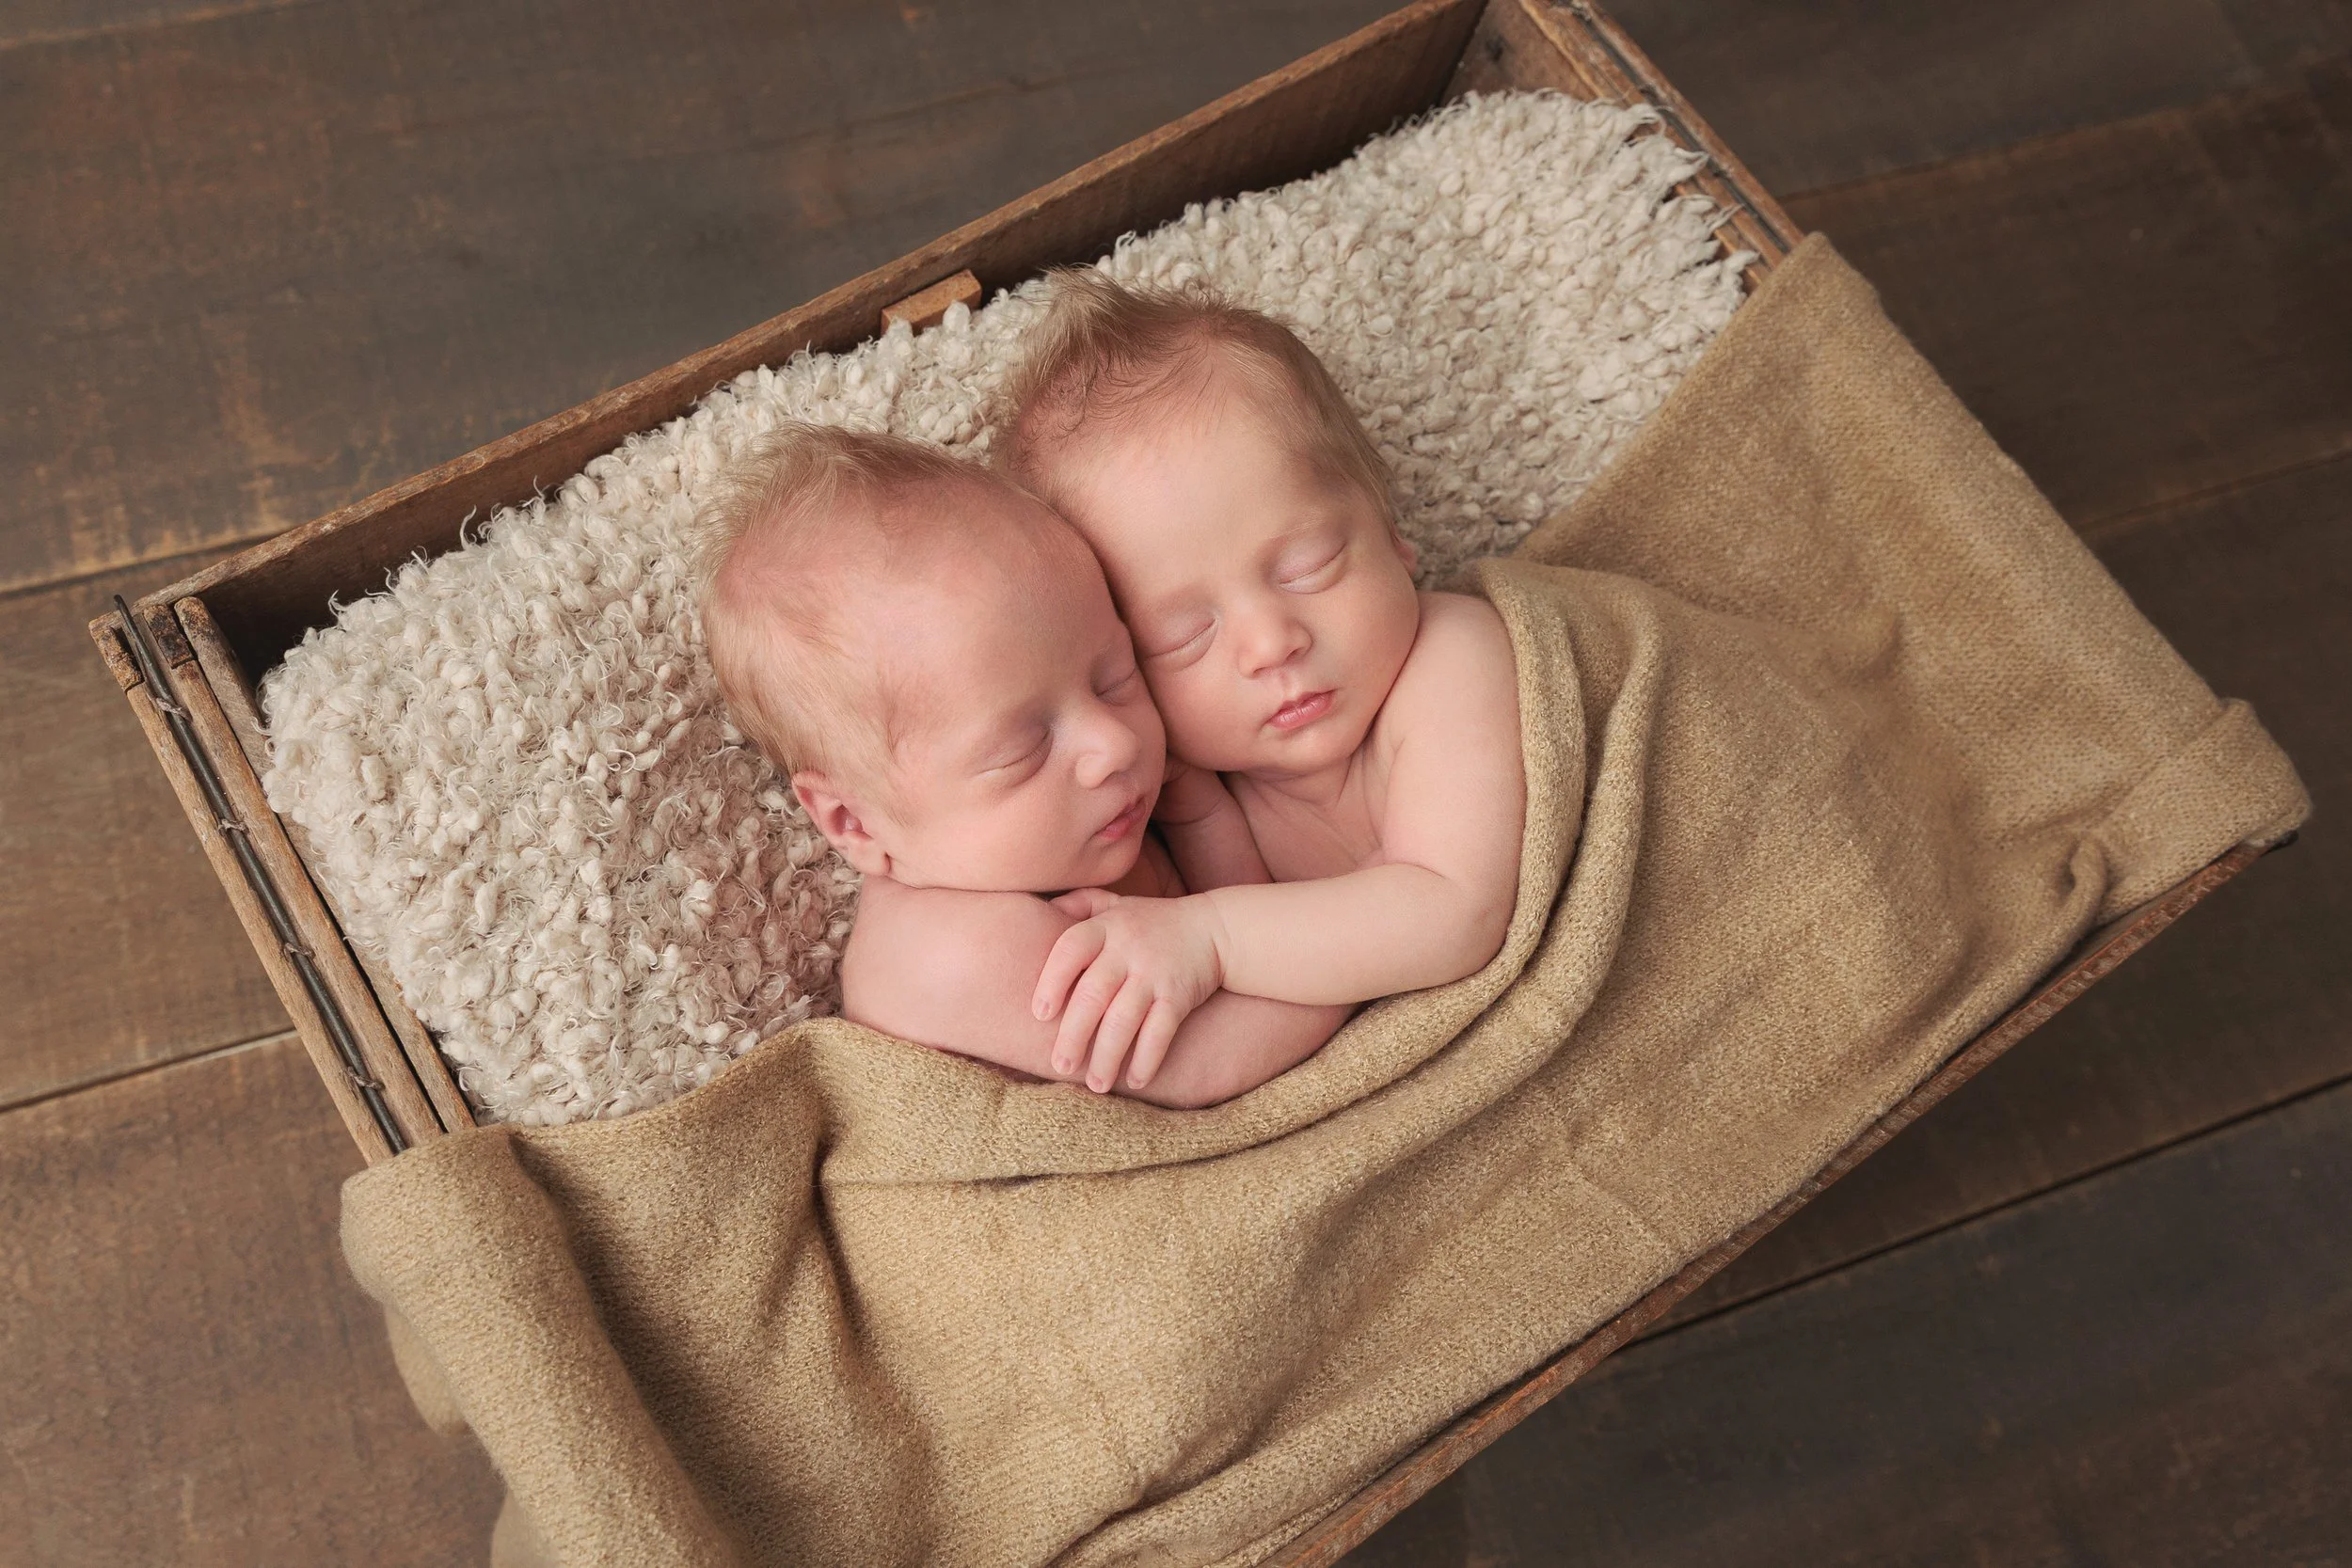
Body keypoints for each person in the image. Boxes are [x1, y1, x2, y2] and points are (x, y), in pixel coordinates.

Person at [694, 422, 1349, 1106]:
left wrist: (1203, 814)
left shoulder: (1071, 833)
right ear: (853, 821)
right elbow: (1212, 1061)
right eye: (1024, 749)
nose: (1115, 744)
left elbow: (1239, 916)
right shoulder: (950, 950)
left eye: (1114, 677)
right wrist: (1366, 938)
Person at [1001, 270, 1526, 1096]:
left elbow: (1451, 913)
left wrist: (1205, 938)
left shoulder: (1449, 659)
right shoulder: (1197, 784)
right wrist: (1200, 821)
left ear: (1392, 537)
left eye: (1308, 566)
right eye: (1183, 636)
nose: (1270, 642)